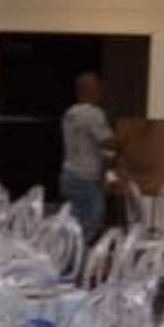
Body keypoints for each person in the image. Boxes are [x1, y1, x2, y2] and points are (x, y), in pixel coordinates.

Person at [57, 73, 113, 244]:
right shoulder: (93, 114)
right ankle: (78, 261)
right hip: (87, 177)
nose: (102, 92)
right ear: (89, 90)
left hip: (69, 174)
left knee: (74, 222)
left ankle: (65, 256)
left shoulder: (70, 113)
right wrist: (134, 134)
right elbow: (109, 143)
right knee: (91, 224)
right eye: (98, 88)